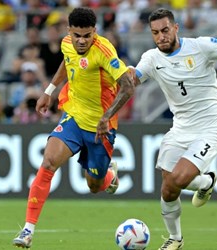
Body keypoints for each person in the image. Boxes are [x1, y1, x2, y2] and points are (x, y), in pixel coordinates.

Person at [129, 8, 217, 250]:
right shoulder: (152, 58)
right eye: (155, 33)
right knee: (168, 187)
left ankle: (202, 184)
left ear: (175, 28)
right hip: (180, 128)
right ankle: (177, 236)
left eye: (165, 30)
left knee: (179, 178)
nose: (161, 36)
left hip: (210, 126)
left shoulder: (201, 46)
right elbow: (133, 77)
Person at [12, 7, 135, 248]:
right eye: (77, 35)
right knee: (48, 163)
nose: (81, 41)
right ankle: (27, 231)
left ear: (94, 32)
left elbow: (128, 86)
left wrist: (107, 116)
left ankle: (108, 174)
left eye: (87, 35)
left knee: (94, 185)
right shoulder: (67, 43)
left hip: (101, 128)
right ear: (69, 31)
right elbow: (67, 63)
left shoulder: (104, 50)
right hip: (74, 118)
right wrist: (49, 91)